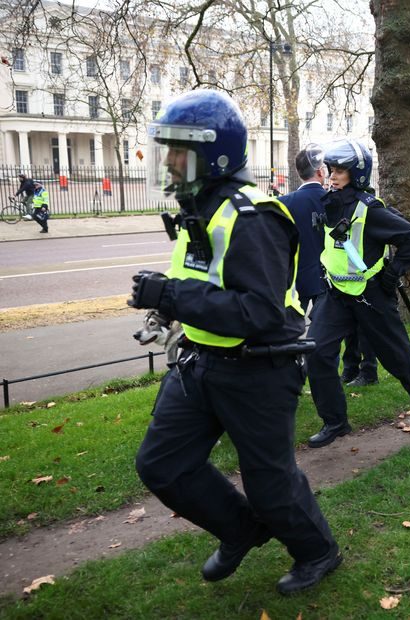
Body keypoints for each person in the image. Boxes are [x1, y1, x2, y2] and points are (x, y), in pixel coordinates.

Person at [131, 90, 340, 595]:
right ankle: (240, 528)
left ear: (214, 153)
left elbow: (259, 311)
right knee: (161, 463)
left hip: (258, 369)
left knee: (270, 483)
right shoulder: (200, 209)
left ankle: (318, 551)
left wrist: (172, 295)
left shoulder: (252, 216)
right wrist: (171, 303)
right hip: (200, 363)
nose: (171, 163)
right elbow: (207, 282)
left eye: (180, 151)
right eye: (169, 152)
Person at [305, 138, 410, 446]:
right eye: (332, 169)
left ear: (358, 174)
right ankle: (335, 421)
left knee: (397, 359)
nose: (334, 175)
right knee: (317, 354)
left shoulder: (371, 210)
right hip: (336, 294)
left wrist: (392, 274)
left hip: (371, 296)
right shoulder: (328, 203)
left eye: (341, 170)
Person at [278, 144, 327, 313]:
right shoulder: (334, 200)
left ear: (299, 173)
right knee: (325, 334)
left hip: (296, 278)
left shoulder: (283, 203)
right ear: (320, 171)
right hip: (330, 277)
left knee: (289, 331)